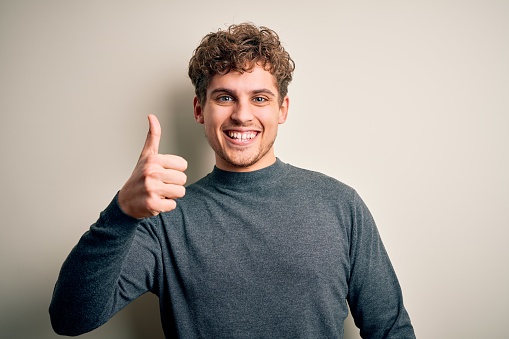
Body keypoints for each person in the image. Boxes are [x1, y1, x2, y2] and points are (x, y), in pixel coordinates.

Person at [49, 22, 415, 338]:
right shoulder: (162, 220)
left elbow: (390, 329)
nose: (242, 115)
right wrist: (121, 214)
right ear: (199, 109)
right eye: (225, 97)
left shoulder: (340, 204)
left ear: (282, 109)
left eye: (259, 98)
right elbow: (69, 319)